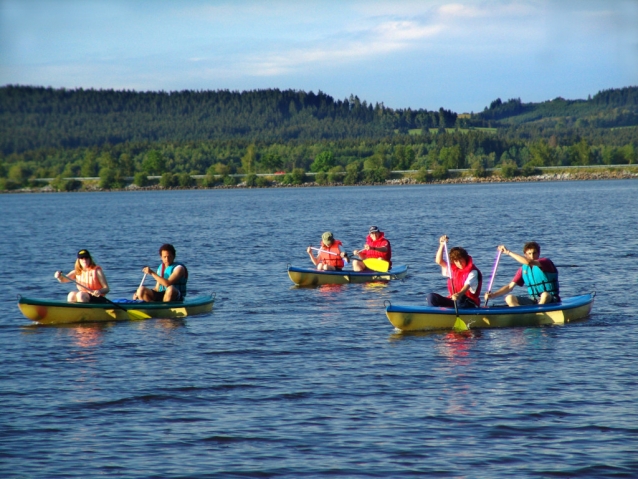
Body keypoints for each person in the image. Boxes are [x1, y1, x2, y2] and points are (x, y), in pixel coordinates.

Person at [484, 242, 559, 306]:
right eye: (529, 254)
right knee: (509, 298)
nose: (532, 256)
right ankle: (522, 315)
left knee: (545, 295)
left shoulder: (545, 262)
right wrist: (493, 295)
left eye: (534, 253)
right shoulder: (523, 269)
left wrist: (508, 252)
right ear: (525, 255)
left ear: (539, 253)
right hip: (534, 300)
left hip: (551, 299)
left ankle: (539, 313)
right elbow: (510, 287)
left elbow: (529, 262)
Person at [427, 235, 482, 308]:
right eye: (456, 261)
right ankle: (436, 315)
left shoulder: (473, 272)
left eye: (461, 259)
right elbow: (439, 261)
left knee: (460, 299)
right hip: (455, 300)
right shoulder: (453, 269)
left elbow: (466, 287)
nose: (459, 263)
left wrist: (459, 294)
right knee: (431, 297)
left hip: (469, 303)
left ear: (465, 258)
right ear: (454, 262)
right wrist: (442, 245)